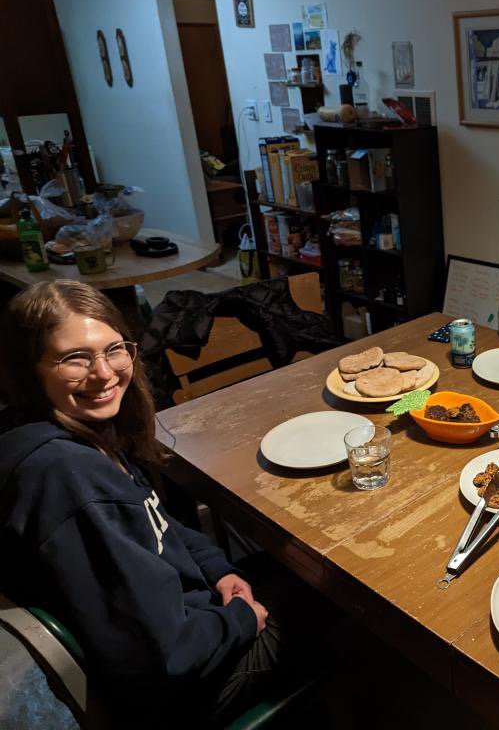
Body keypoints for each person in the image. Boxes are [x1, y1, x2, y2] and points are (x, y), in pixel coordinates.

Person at [0, 281, 320, 727]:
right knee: (342, 601)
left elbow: (158, 519)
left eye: (114, 349)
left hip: (192, 623)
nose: (104, 374)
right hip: (181, 691)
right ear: (29, 369)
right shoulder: (66, 477)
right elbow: (165, 654)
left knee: (295, 570)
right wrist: (242, 621)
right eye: (74, 358)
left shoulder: (71, 434)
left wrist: (219, 568)